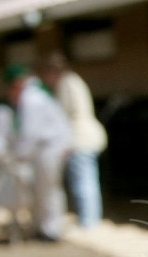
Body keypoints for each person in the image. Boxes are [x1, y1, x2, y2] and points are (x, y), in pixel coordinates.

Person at [37, 52, 108, 230]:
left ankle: (88, 221)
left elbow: (64, 117)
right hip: (83, 136)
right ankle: (88, 218)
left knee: (83, 182)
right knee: (86, 180)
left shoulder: (67, 84)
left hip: (80, 138)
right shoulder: (72, 81)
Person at [3, 64, 72, 242]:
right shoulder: (37, 93)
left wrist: (18, 155)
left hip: (49, 148)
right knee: (44, 190)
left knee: (48, 190)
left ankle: (51, 229)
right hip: (48, 148)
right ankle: (43, 226)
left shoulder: (31, 97)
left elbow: (30, 132)